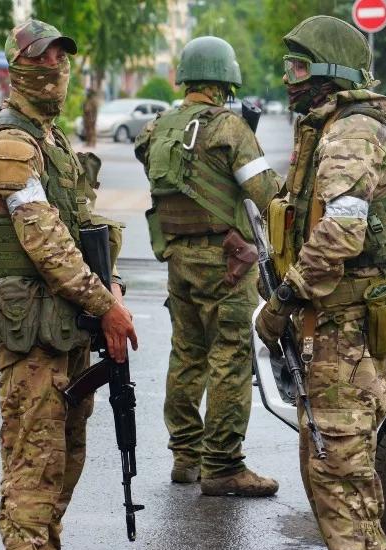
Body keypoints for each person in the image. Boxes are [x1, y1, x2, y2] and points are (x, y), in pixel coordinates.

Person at [0, 19, 139, 550]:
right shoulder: (9, 143)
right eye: (45, 61)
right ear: (19, 67)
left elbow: (81, 226)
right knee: (33, 454)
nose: (57, 71)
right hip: (33, 327)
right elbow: (43, 240)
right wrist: (105, 305)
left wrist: (109, 285)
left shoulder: (48, 138)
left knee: (64, 448)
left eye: (63, 61)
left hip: (65, 321)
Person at [254, 15, 386, 550]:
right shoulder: (329, 130)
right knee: (334, 464)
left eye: (297, 67)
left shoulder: (349, 135)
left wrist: (283, 302)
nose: (288, 79)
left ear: (330, 72)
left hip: (339, 329)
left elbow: (341, 234)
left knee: (338, 463)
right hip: (333, 326)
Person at [134, 36, 282, 496]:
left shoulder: (157, 129)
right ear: (226, 81)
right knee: (230, 356)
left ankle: (186, 456)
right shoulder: (229, 128)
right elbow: (267, 195)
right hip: (228, 263)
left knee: (187, 354)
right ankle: (222, 465)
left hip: (178, 258)